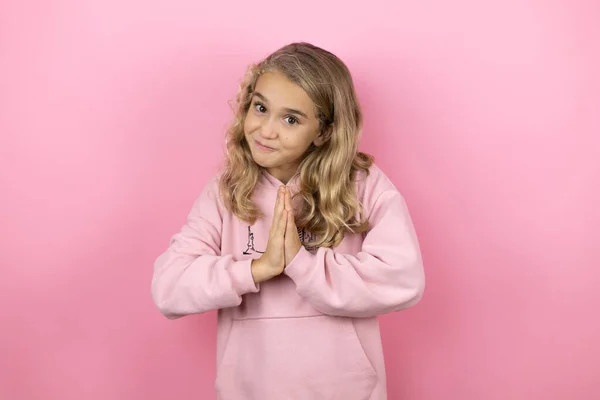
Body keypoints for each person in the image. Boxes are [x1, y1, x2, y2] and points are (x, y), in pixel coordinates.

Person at [151, 42, 425, 400]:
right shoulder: (225, 192)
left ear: (323, 132)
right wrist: (257, 269)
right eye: (260, 108)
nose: (266, 130)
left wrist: (302, 264)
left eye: (291, 119)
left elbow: (403, 279)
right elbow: (168, 288)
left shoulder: (363, 185)